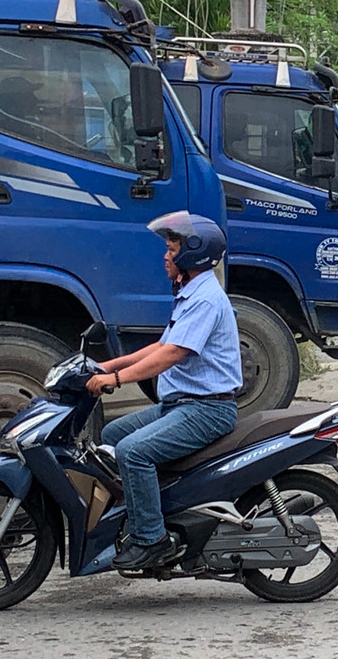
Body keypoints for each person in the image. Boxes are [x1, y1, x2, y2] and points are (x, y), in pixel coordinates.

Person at [86, 211, 241, 570]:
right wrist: (108, 366)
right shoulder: (192, 293)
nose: (166, 255)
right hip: (180, 405)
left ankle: (152, 538)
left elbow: (172, 354)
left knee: (132, 452)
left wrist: (116, 381)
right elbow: (161, 345)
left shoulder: (204, 299)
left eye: (172, 248)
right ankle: (152, 509)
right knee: (112, 433)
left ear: (192, 254)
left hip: (205, 410)